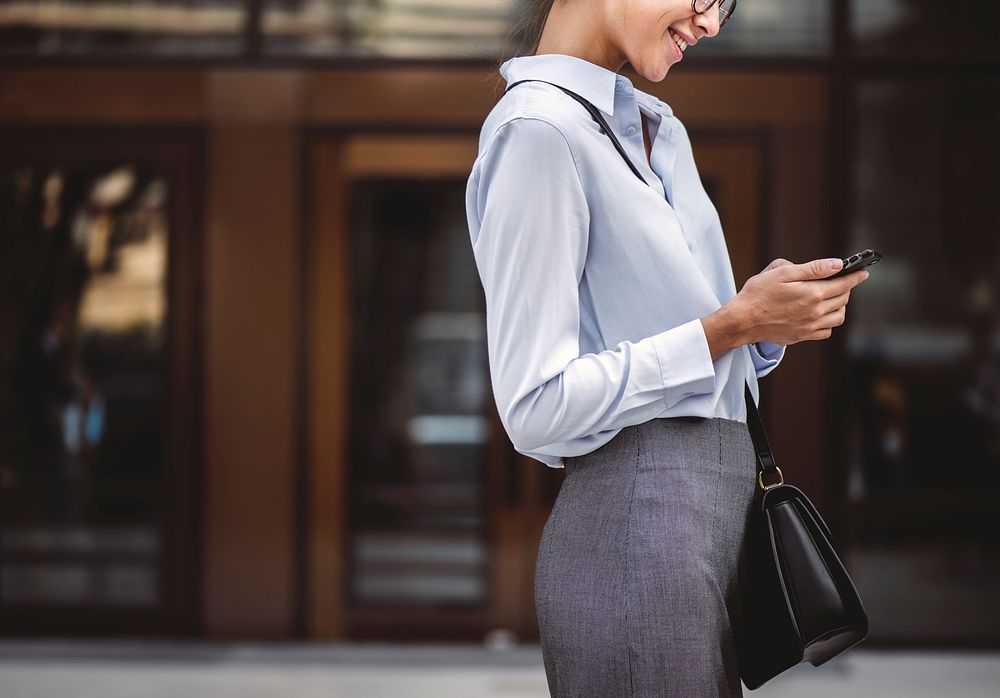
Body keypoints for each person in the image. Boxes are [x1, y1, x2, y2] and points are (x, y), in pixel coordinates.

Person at [464, 1, 870, 695]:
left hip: (703, 531)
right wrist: (732, 326)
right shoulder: (539, 132)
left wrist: (758, 320)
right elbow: (534, 406)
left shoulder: (657, 129)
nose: (713, 22)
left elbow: (694, 348)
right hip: (633, 533)